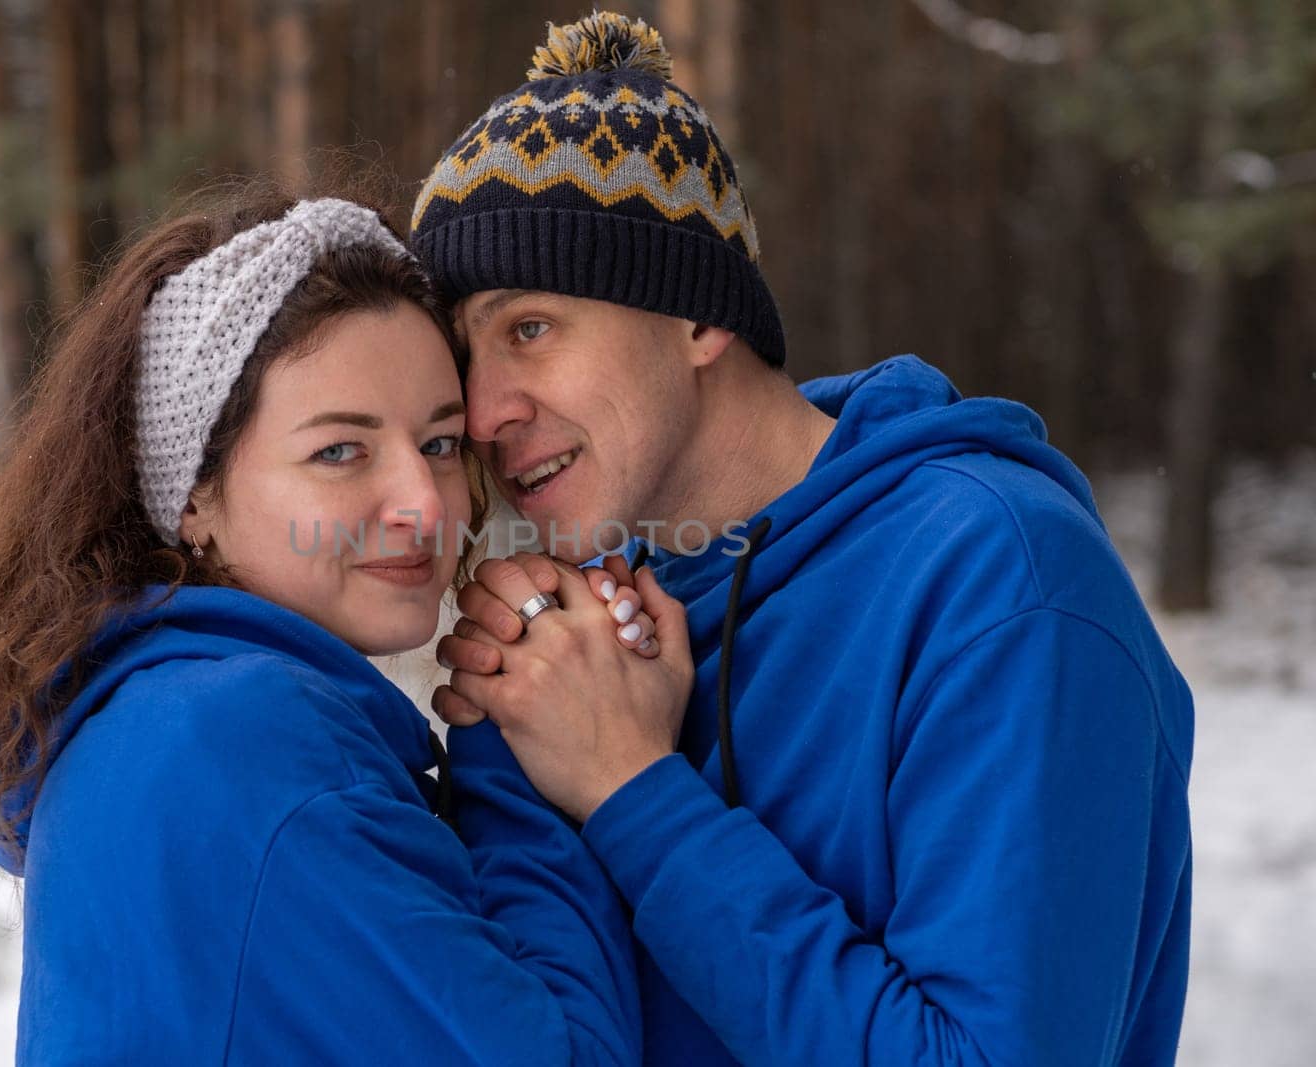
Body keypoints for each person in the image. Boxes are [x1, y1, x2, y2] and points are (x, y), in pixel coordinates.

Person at [419, 12, 1194, 1066]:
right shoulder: (593, 626)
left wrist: (630, 790)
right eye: (465, 356)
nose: (485, 409)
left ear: (697, 317)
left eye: (530, 327)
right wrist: (503, 739)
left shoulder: (999, 582)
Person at [0, 184, 647, 1063]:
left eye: (441, 442)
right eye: (339, 451)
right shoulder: (252, 746)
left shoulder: (147, 710)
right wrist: (513, 738)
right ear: (194, 497)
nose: (425, 504)